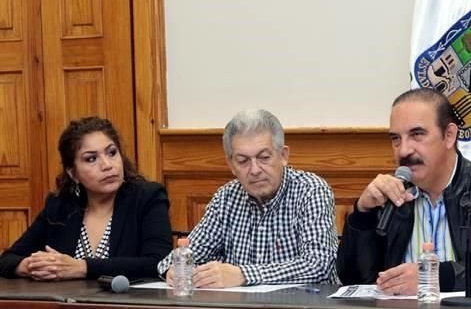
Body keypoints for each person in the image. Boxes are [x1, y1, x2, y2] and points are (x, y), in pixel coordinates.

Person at [337, 88, 471, 294]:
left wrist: (431, 277)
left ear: (449, 135)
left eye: (417, 135)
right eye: (396, 139)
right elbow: (353, 278)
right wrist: (362, 215)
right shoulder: (387, 195)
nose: (403, 151)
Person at [157, 109, 338, 288]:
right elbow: (177, 259)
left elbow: (319, 264)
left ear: (283, 156)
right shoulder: (226, 198)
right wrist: (174, 271)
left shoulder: (310, 190)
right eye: (243, 161)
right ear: (231, 165)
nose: (255, 170)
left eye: (264, 158)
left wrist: (243, 274)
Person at [0, 116, 171, 280]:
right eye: (91, 159)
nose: (107, 165)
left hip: (126, 306)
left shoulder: (148, 197)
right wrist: (34, 266)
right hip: (68, 305)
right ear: (73, 173)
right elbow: (7, 259)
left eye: (112, 153)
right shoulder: (60, 205)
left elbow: (158, 263)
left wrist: (82, 268)